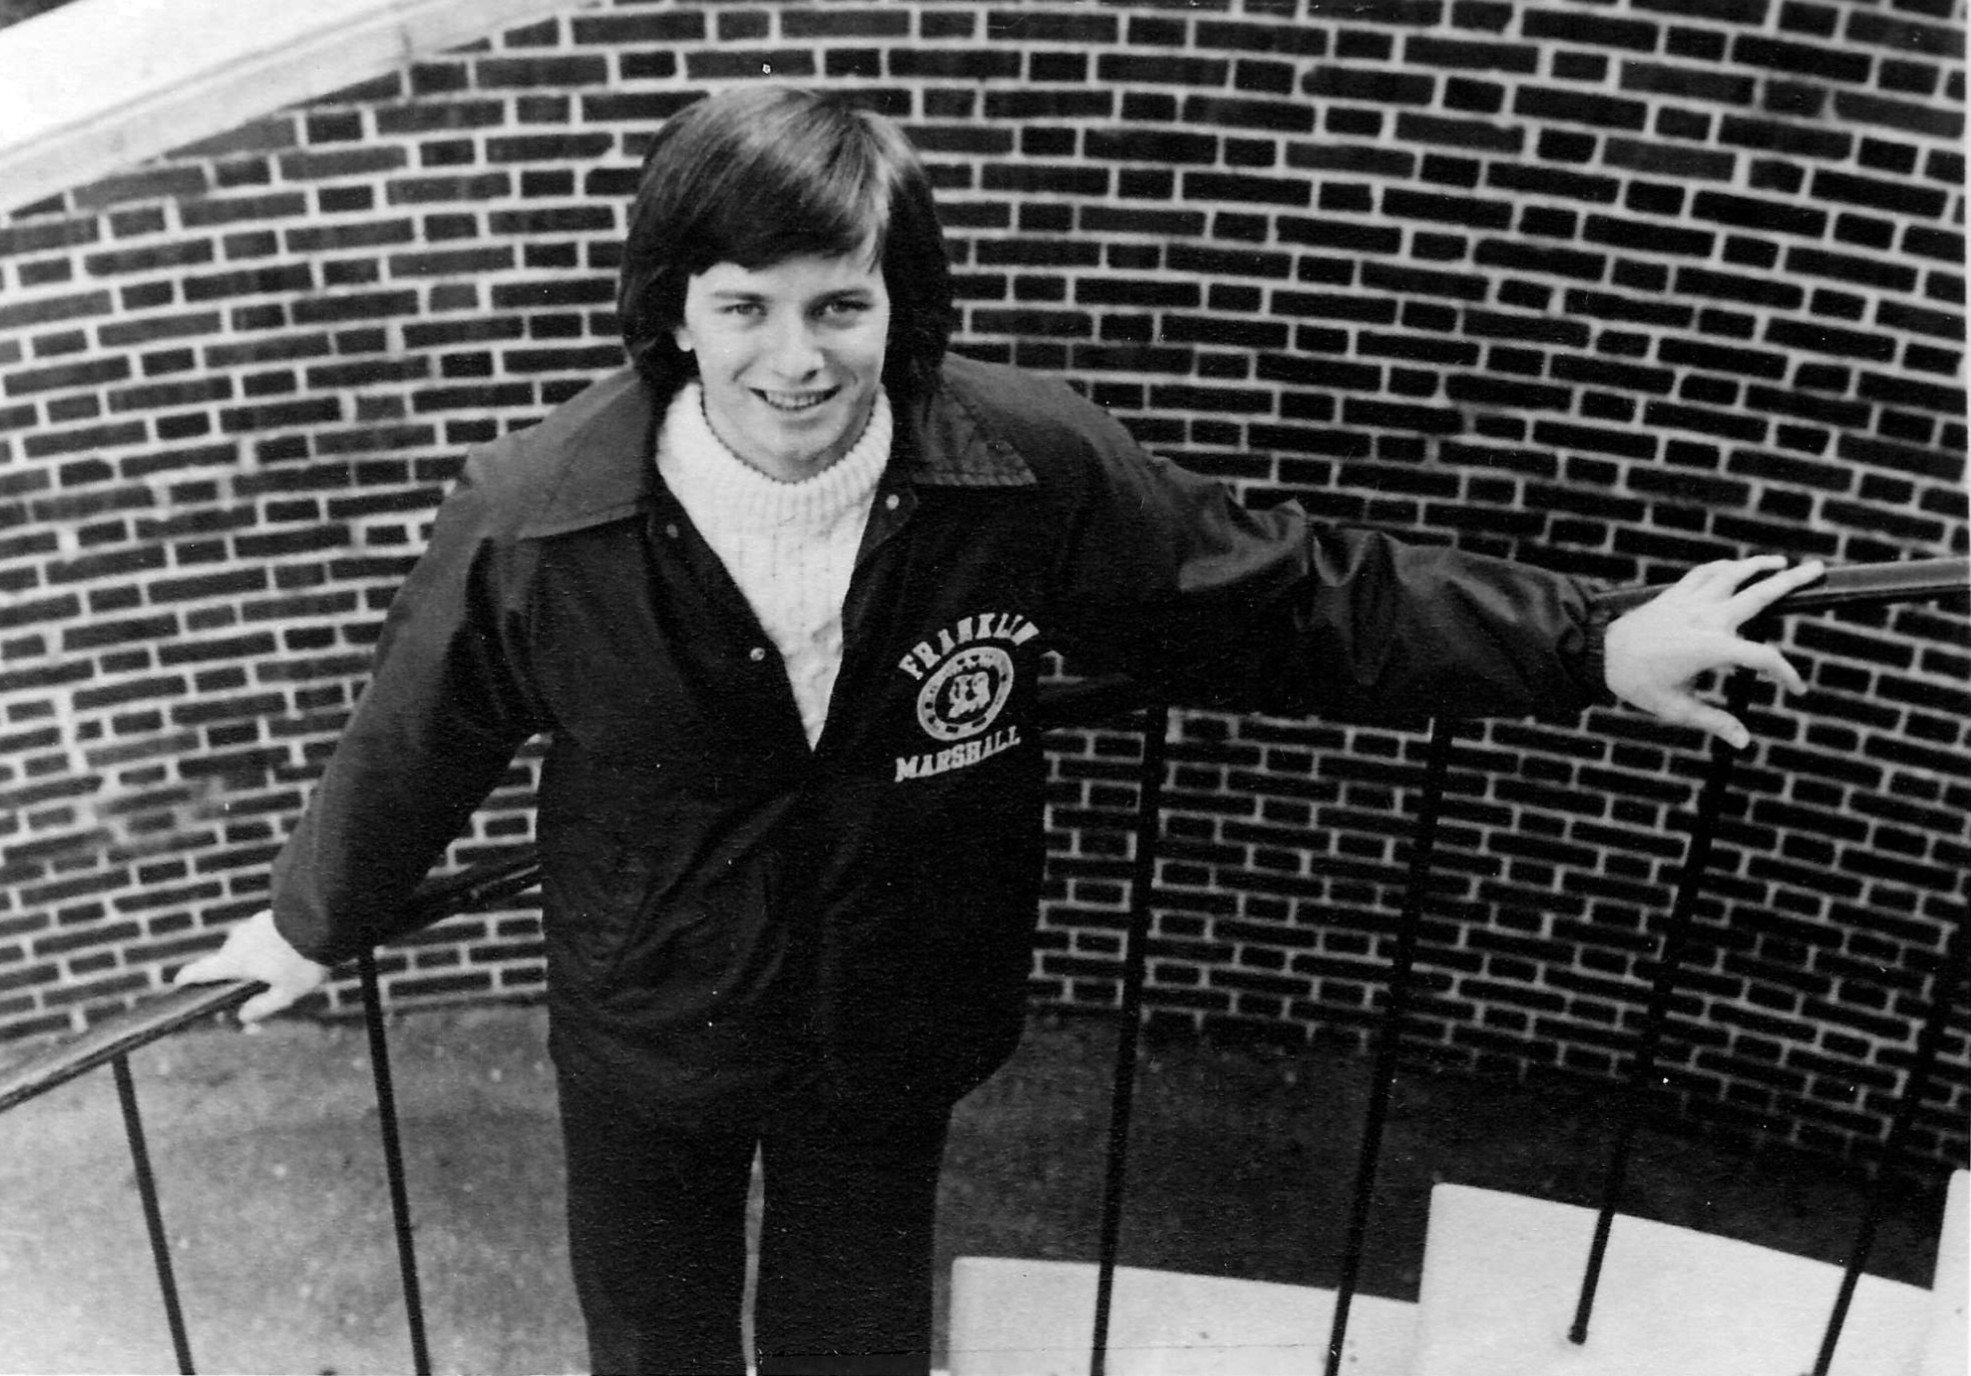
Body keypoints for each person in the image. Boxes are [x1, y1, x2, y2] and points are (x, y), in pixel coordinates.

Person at [175, 85, 1824, 1375]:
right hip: (651, 1028)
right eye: (745, 306)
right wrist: (309, 923)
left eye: (841, 306)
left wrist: (1594, 646)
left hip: (891, 1022)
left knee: (855, 1343)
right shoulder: (540, 522)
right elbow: (420, 735)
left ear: (906, 308)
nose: (795, 358)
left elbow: (1294, 595)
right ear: (674, 311)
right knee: (656, 1348)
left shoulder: (1024, 470)